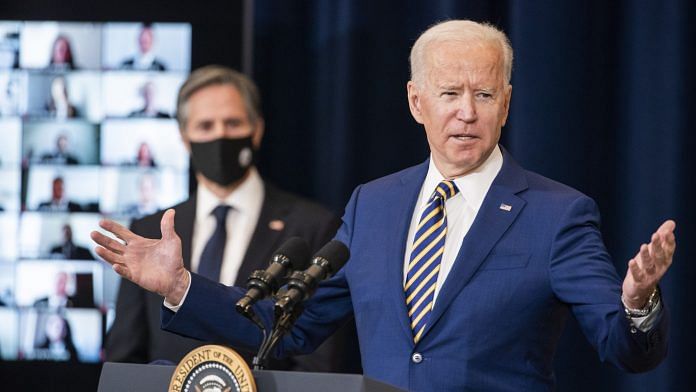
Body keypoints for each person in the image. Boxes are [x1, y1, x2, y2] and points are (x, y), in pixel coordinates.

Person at [92, 21, 676, 390]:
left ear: (508, 103)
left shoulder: (557, 214)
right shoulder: (373, 205)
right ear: (416, 101)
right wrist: (180, 286)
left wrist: (637, 303)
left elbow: (625, 350)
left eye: (484, 94)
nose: (466, 112)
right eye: (449, 94)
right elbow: (290, 328)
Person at [103, 65, 360, 373]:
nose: (220, 135)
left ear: (257, 129)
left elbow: (318, 362)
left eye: (233, 123)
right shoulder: (149, 231)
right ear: (184, 137)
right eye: (206, 126)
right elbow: (125, 360)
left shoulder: (313, 226)